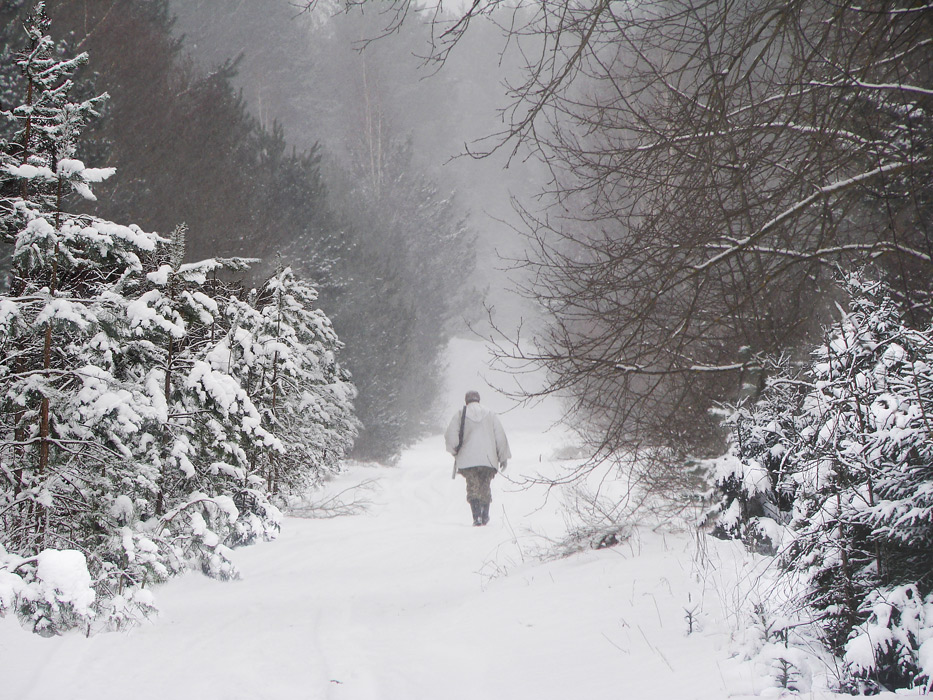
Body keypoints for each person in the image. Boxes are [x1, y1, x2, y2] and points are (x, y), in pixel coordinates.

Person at [445, 390, 511, 526]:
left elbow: (451, 436)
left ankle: (476, 517)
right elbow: (500, 437)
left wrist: (454, 451)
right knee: (485, 486)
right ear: (478, 399)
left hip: (468, 459)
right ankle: (485, 514)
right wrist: (503, 457)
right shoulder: (490, 414)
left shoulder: (460, 414)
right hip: (488, 459)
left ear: (466, 400)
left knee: (472, 486)